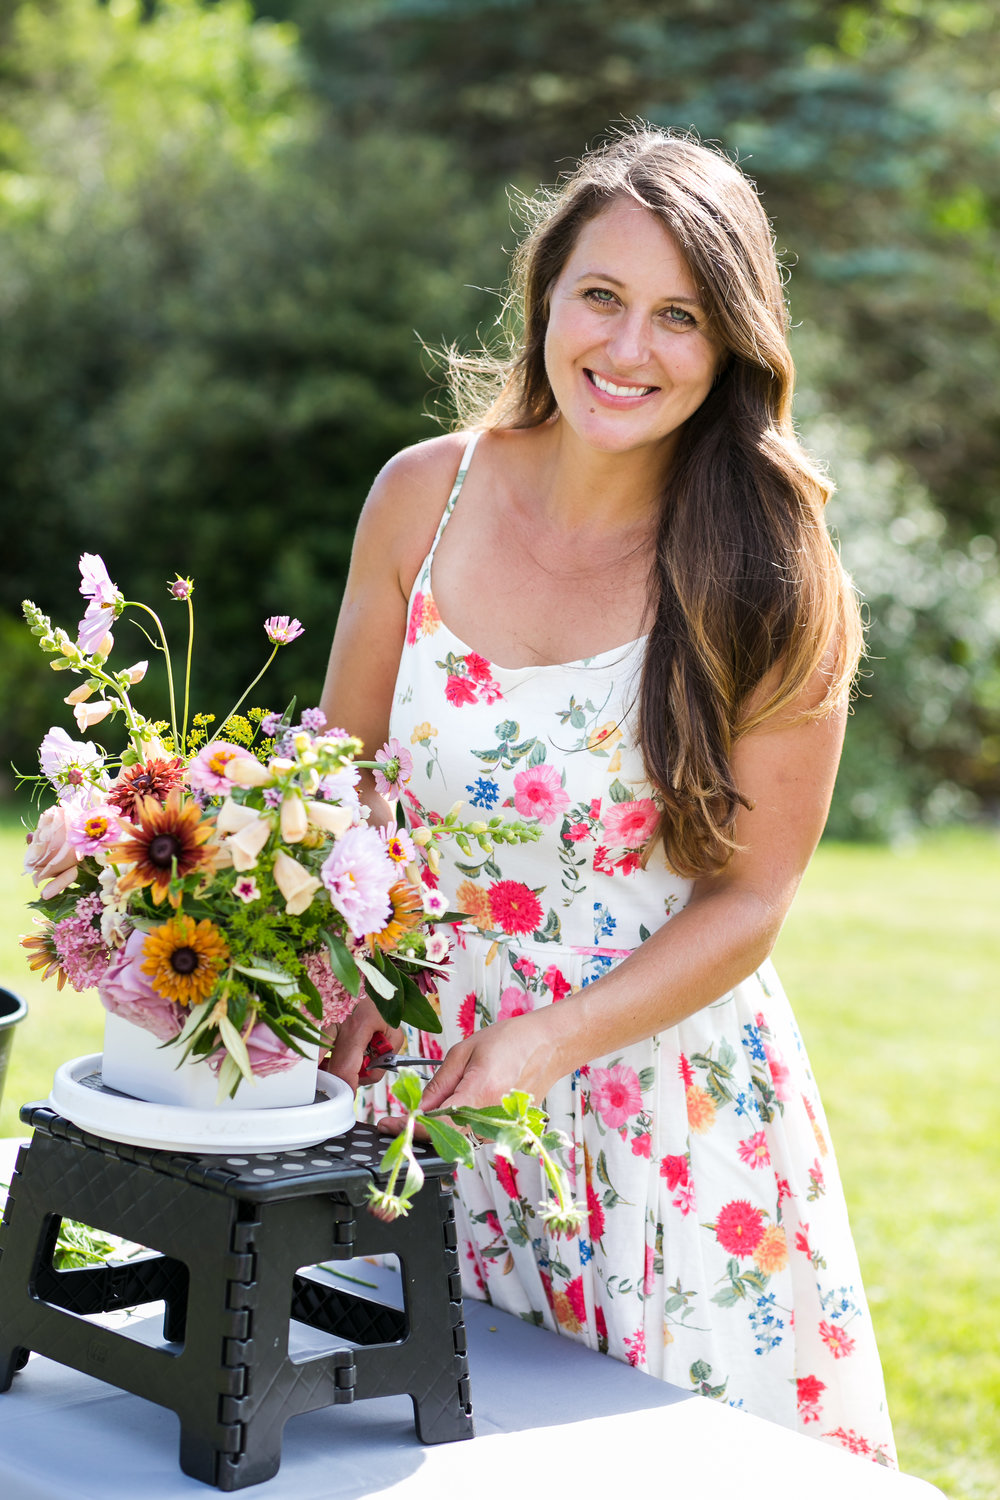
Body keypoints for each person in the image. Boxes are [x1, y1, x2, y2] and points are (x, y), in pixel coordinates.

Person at [320, 126, 896, 1464]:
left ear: (731, 344)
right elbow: (337, 788)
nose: (629, 348)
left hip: (661, 1121)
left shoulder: (771, 564)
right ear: (545, 297)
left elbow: (754, 897)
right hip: (421, 1089)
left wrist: (546, 1044)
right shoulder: (423, 496)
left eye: (680, 316)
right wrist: (339, 958)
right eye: (602, 295)